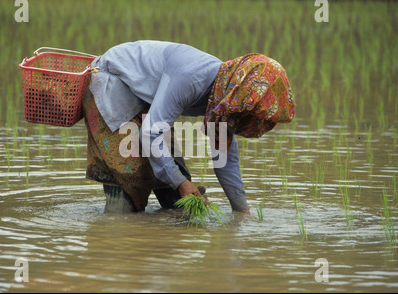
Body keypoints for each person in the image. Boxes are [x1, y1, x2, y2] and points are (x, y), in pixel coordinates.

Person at [83, 40, 295, 214]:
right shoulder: (191, 78)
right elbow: (150, 132)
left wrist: (241, 211)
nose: (245, 120)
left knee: (177, 201)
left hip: (146, 98)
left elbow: (225, 156)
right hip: (112, 81)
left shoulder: (226, 98)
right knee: (127, 189)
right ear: (242, 95)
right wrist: (181, 182)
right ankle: (111, 247)